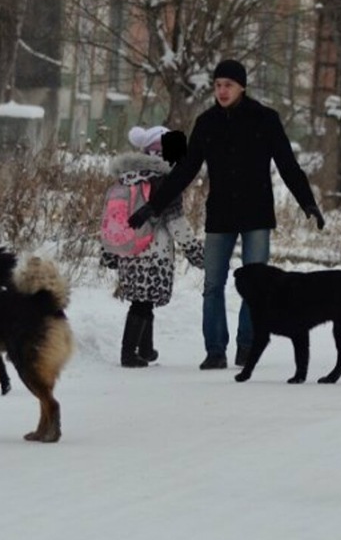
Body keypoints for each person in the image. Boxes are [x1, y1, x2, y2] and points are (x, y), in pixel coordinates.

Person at [128, 59, 324, 370]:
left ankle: (247, 345)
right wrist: (154, 205)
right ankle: (215, 350)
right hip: (220, 214)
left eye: (228, 85)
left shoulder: (265, 119)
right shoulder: (207, 123)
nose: (221, 90)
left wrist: (307, 202)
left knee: (257, 285)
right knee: (212, 285)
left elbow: (288, 164)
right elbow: (186, 170)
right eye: (218, 85)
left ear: (242, 87)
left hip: (257, 214)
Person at [102, 125, 204, 367]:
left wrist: (108, 251)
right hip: (154, 252)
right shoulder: (165, 182)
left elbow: (110, 217)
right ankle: (128, 354)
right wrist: (194, 251)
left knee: (143, 300)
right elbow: (177, 222)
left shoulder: (125, 179)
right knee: (142, 303)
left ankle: (145, 349)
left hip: (129, 249)